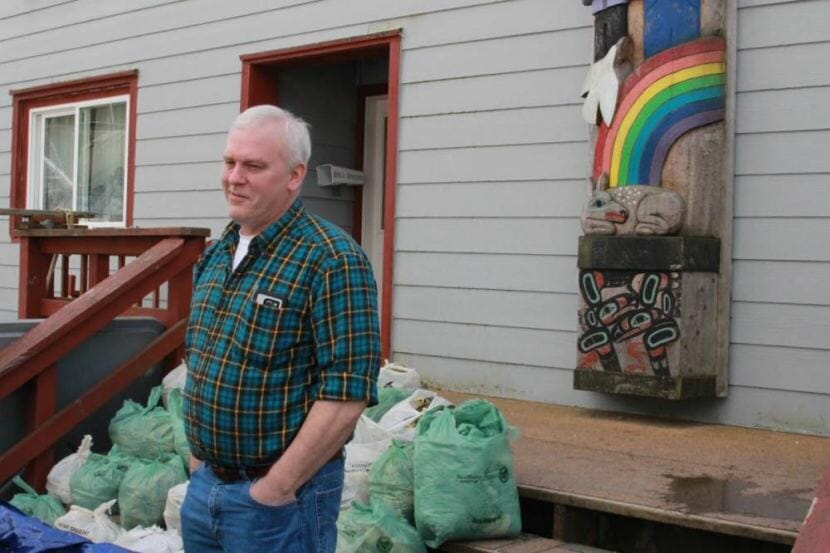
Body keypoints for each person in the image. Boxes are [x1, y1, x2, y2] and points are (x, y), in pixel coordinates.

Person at [181, 104, 381, 552]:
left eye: (253, 166)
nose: (235, 177)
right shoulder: (215, 256)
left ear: (294, 175)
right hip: (205, 487)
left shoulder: (331, 259)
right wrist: (198, 463)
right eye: (230, 162)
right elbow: (200, 360)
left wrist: (276, 488)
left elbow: (347, 391)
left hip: (279, 504)